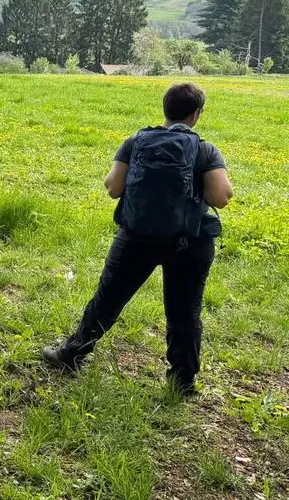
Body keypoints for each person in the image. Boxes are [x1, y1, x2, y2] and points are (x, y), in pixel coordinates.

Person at [42, 82, 233, 396]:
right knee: (185, 313)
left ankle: (71, 354)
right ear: (196, 114)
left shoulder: (136, 142)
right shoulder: (205, 150)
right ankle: (182, 382)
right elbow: (220, 197)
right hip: (189, 243)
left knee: (108, 299)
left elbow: (113, 188)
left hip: (136, 238)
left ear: (165, 109)